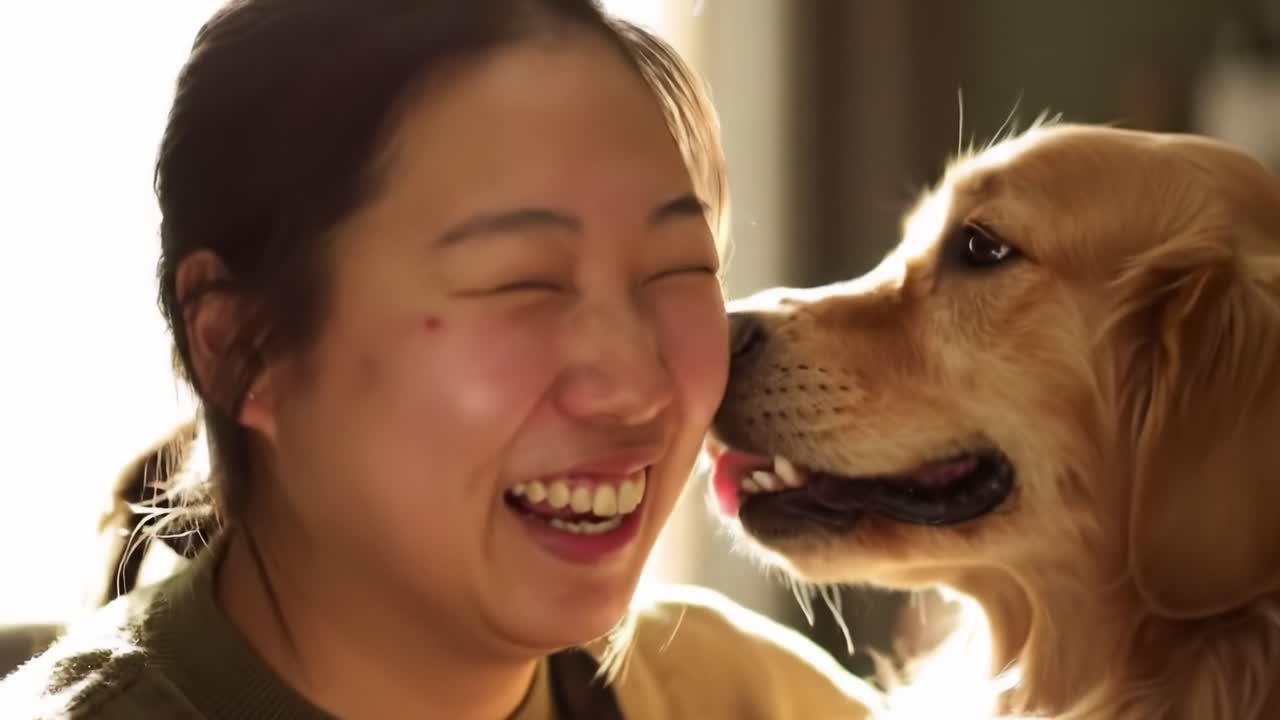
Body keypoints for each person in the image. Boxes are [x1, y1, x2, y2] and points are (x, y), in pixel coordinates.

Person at [0, 1, 881, 717]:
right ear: (241, 348)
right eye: (523, 283)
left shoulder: (739, 699)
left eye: (679, 268)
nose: (638, 388)